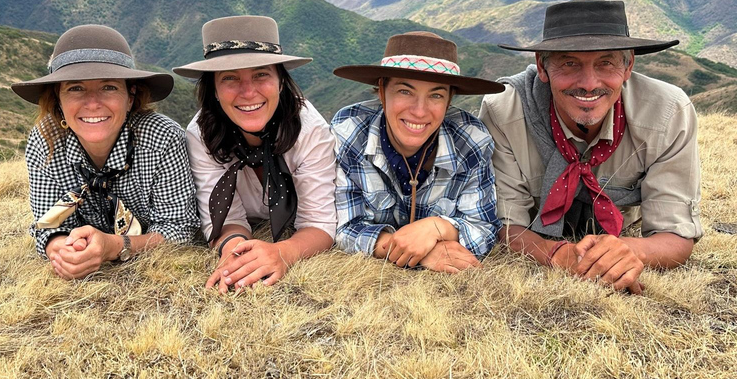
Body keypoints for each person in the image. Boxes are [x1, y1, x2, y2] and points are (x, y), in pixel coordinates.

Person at [480, 0, 702, 294]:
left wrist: (626, 251)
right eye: (569, 63)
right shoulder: (503, 111)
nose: (588, 83)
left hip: (624, 232)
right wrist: (555, 254)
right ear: (542, 66)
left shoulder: (667, 112)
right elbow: (507, 226)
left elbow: (676, 234)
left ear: (628, 66)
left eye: (606, 63)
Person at [12, 24, 200, 280]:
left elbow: (179, 228)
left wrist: (114, 246)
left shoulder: (162, 138)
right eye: (76, 88)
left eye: (109, 87)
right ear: (58, 99)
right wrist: (61, 250)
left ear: (130, 97)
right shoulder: (46, 140)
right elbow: (48, 224)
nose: (92, 103)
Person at [174, 16, 336, 292]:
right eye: (230, 78)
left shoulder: (310, 130)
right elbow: (227, 219)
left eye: (261, 74)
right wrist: (235, 251)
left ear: (281, 81)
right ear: (214, 90)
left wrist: (283, 252)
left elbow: (319, 223)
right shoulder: (201, 134)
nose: (248, 92)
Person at [332, 32, 504, 273]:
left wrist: (436, 228)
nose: (420, 111)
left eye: (436, 95)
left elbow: (485, 227)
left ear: (449, 100)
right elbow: (345, 227)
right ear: (382, 90)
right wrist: (415, 250)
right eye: (405, 91)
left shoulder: (471, 140)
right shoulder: (350, 131)